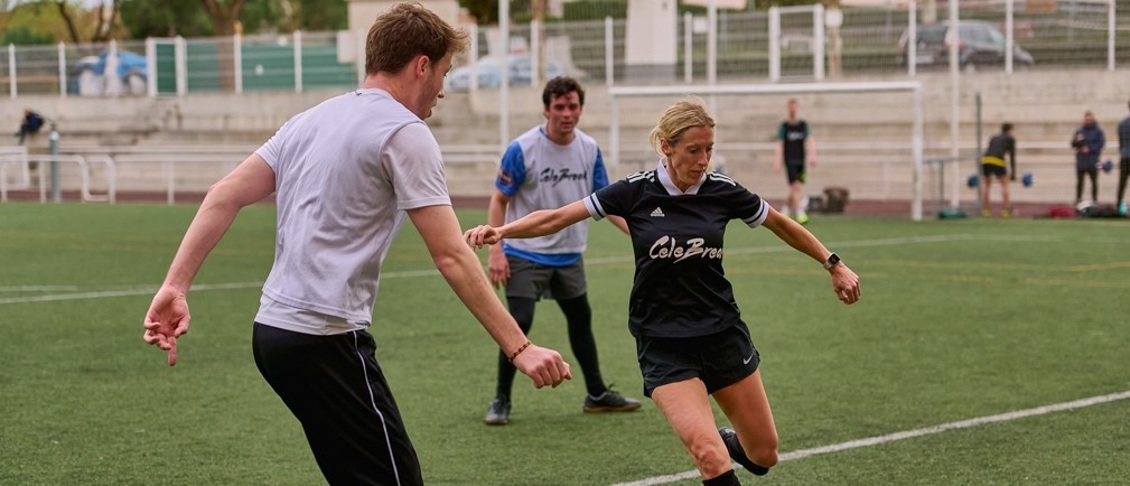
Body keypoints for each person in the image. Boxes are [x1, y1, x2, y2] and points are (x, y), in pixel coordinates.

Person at [141, 4, 571, 485]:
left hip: (272, 335)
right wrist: (519, 347)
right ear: (421, 65)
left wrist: (176, 285)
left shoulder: (309, 119)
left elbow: (223, 195)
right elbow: (451, 254)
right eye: (444, 72)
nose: (443, 89)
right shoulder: (405, 132)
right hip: (322, 339)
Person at [465, 98, 861, 485]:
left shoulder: (722, 190)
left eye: (709, 149)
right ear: (666, 147)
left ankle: (727, 439)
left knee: (764, 454)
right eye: (693, 150)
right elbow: (557, 216)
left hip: (723, 334)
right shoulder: (634, 192)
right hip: (663, 341)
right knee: (709, 456)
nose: (703, 160)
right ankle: (713, 444)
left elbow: (781, 224)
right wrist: (502, 231)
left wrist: (833, 264)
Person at [482, 75, 640, 425]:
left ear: (580, 109)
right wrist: (497, 251)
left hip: (569, 255)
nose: (567, 113)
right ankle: (501, 399)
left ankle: (597, 393)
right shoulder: (522, 149)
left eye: (573, 106)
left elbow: (606, 203)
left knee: (581, 322)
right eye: (559, 107)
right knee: (517, 324)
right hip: (525, 252)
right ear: (546, 109)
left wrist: (640, 232)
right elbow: (499, 199)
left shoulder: (588, 148)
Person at [773, 98, 817, 225]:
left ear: (797, 107)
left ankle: (785, 209)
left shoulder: (803, 125)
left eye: (794, 106)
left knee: (796, 187)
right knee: (795, 186)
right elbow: (780, 144)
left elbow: (810, 140)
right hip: (789, 160)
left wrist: (813, 155)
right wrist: (777, 161)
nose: (792, 108)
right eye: (790, 106)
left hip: (801, 161)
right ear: (788, 108)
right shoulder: (784, 126)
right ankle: (800, 212)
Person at [979, 123, 1017, 218]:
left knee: (987, 184)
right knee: (1005, 184)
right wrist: (1013, 174)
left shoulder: (994, 137)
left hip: (985, 159)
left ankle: (986, 210)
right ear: (1010, 130)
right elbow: (1012, 157)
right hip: (997, 160)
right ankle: (1005, 210)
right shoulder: (1010, 139)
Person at [1070, 110, 1105, 205]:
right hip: (1081, 161)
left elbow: (1101, 144)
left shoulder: (1098, 131)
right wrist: (1077, 141)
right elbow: (1073, 144)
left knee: (1094, 182)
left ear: (1092, 119)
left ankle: (1094, 200)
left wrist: (1090, 149)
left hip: (1093, 161)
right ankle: (1078, 199)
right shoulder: (1079, 131)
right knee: (1080, 182)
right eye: (1087, 120)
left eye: (1090, 120)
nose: (1088, 121)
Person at [1117, 100, 1130, 216]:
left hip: (1125, 156)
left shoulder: (1122, 123)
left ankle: (1118, 205)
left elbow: (1121, 141)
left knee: (1122, 183)